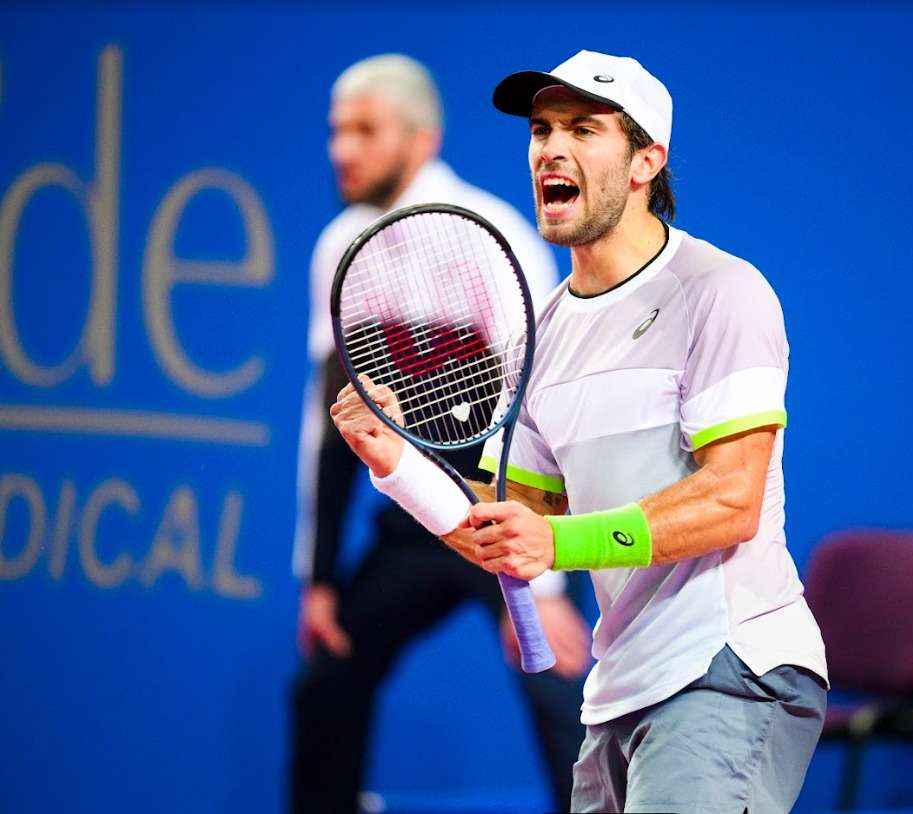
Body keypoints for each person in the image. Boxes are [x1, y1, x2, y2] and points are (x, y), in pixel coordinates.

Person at [330, 50, 829, 814]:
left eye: (583, 130)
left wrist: (557, 543)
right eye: (541, 130)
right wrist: (395, 460)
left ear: (645, 161)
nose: (550, 149)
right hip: (619, 691)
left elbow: (732, 500)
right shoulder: (541, 335)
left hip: (728, 668)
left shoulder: (720, 292)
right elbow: (507, 530)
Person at [289, 54, 590, 814]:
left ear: (421, 139)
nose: (341, 149)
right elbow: (330, 421)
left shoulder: (491, 235)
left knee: (561, 695)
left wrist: (545, 581)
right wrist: (319, 579)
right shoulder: (337, 248)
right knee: (326, 682)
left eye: (365, 130)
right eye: (336, 130)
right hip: (415, 524)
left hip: (514, 511)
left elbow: (540, 409)